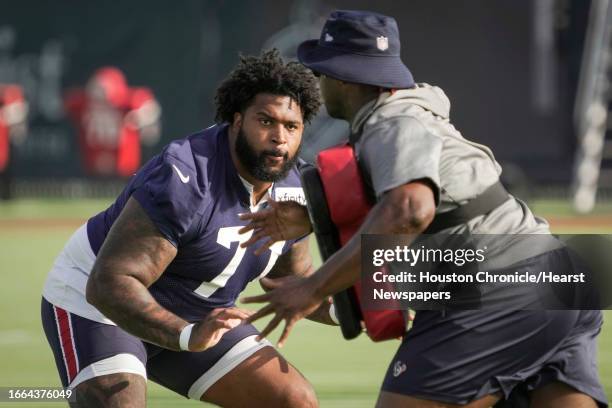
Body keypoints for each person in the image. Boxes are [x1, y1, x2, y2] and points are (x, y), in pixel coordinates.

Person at [240, 11, 608, 408]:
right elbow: (442, 204)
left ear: (343, 76)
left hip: (499, 287)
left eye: (322, 72)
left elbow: (411, 210)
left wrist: (312, 288)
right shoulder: (414, 112)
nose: (320, 83)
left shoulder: (390, 122)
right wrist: (312, 217)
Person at [41, 49, 331, 407]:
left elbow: (294, 283)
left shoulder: (294, 188)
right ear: (237, 120)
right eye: (266, 121)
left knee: (295, 401)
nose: (279, 139)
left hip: (198, 318)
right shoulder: (188, 178)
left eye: (291, 127)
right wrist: (187, 334)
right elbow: (109, 284)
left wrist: (373, 308)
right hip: (96, 303)